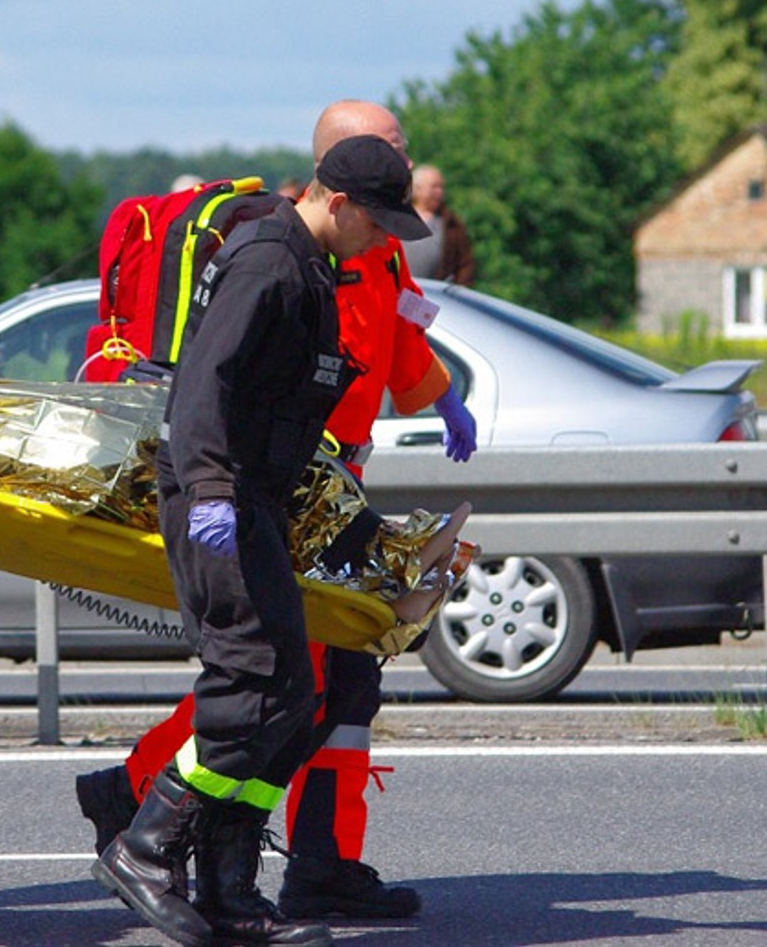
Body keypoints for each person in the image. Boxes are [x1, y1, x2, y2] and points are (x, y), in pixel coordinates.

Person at [78, 99, 477, 927]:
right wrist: (216, 498)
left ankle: (228, 883)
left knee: (297, 691)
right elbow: (203, 391)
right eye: (381, 222)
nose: (389, 241)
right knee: (255, 681)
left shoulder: (317, 264)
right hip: (220, 497)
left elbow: (358, 367)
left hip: (270, 495)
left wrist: (437, 404)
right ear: (339, 199)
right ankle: (146, 839)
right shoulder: (269, 262)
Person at [401, 163, 476, 284]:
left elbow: (465, 264)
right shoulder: (399, 217)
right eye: (434, 187)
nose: (439, 192)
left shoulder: (452, 224)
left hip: (435, 295)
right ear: (417, 188)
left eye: (441, 187)